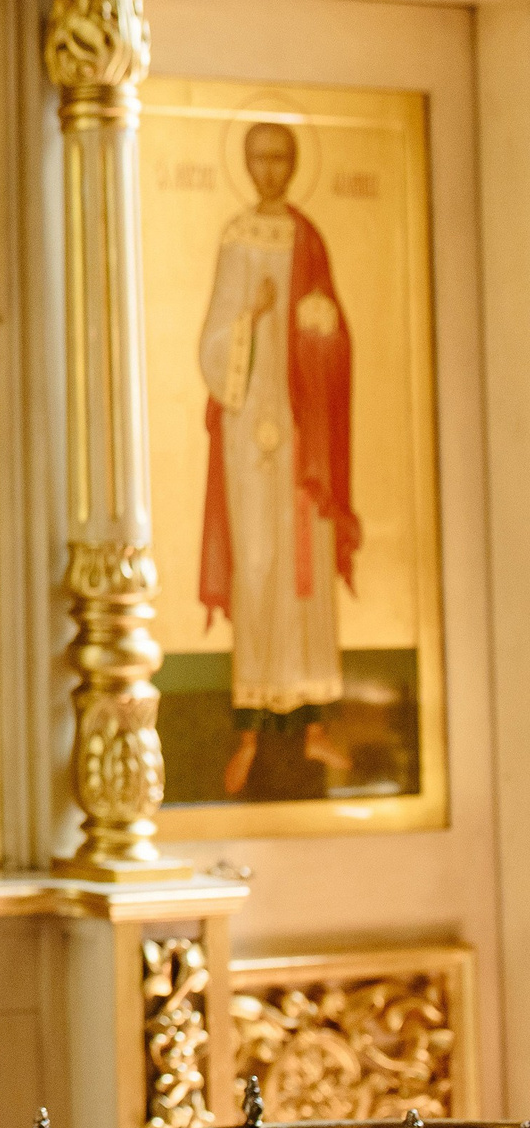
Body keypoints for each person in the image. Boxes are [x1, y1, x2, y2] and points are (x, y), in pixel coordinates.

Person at [198, 121, 358, 797]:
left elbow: (334, 332)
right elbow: (212, 344)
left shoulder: (307, 236)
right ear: (246, 162)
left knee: (306, 570)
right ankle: (248, 731)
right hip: (247, 431)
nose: (270, 169)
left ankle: (315, 724)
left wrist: (321, 329)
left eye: (281, 157)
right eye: (259, 157)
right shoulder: (236, 236)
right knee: (259, 564)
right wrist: (252, 319)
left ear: (292, 165)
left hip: (300, 430)